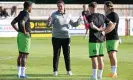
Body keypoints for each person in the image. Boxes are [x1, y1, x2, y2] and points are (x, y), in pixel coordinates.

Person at [47, 0, 82, 76]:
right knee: (56, 55)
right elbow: (49, 25)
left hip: (66, 38)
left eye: (61, 6)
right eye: (58, 6)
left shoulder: (68, 15)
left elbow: (74, 24)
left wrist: (79, 21)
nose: (60, 7)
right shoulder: (54, 14)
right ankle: (55, 71)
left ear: (64, 6)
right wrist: (48, 21)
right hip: (56, 38)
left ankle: (68, 70)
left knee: (67, 55)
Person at [86, 2, 114, 80]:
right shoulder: (102, 16)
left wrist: (99, 30)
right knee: (100, 58)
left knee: (94, 58)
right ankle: (99, 76)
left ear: (90, 8)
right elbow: (111, 24)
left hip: (93, 40)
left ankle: (94, 76)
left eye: (89, 8)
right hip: (101, 39)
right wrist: (104, 31)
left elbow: (91, 25)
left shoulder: (90, 16)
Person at [11, 1, 32, 78]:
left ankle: (19, 73)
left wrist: (18, 30)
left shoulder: (21, 13)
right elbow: (22, 22)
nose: (31, 8)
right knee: (24, 55)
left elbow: (12, 22)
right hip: (24, 36)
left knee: (20, 55)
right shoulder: (26, 14)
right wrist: (25, 32)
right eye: (31, 7)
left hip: (19, 35)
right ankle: (22, 74)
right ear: (29, 7)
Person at [104, 1, 119, 78]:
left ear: (109, 7)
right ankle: (112, 72)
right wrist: (103, 33)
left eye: (105, 6)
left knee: (113, 54)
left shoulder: (114, 15)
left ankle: (115, 73)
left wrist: (104, 32)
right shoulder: (106, 16)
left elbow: (112, 26)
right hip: (108, 38)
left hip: (114, 38)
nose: (104, 8)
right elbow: (106, 27)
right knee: (110, 55)